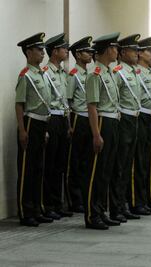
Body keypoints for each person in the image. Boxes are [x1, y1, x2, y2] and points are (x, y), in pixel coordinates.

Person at [15, 33, 53, 227]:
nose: (43, 53)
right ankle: (25, 211)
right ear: (29, 52)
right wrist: (22, 130)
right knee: (27, 170)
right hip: (29, 123)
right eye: (39, 50)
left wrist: (45, 128)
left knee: (39, 169)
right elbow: (19, 104)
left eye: (43, 50)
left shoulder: (43, 74)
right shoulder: (26, 75)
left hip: (41, 124)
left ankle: (37, 209)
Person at [84, 32, 121, 230]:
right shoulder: (95, 74)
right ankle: (91, 215)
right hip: (102, 123)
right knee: (96, 171)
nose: (117, 51)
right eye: (114, 48)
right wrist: (96, 134)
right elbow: (92, 106)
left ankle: (101, 211)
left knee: (107, 171)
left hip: (113, 122)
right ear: (107, 50)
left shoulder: (109, 73)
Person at [111, 34, 142, 221]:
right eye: (133, 50)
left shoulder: (133, 71)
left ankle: (123, 204)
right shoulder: (118, 72)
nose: (136, 54)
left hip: (134, 119)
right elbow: (114, 98)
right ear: (123, 52)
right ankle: (116, 207)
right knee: (119, 166)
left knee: (128, 164)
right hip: (123, 120)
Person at [43, 33, 73, 220]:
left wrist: (69, 124)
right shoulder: (45, 72)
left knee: (61, 164)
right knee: (50, 164)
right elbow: (45, 101)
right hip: (52, 119)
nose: (66, 51)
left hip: (63, 120)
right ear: (54, 51)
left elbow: (66, 102)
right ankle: (48, 205)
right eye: (63, 48)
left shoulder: (63, 73)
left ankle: (57, 203)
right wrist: (46, 127)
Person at [130, 36, 151, 213]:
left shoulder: (149, 72)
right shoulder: (136, 72)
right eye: (149, 51)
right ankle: (135, 202)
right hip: (139, 117)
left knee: (147, 160)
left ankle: (145, 198)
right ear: (140, 53)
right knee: (138, 160)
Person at [66, 36, 95, 213]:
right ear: (78, 54)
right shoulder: (74, 75)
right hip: (77, 117)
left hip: (89, 118)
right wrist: (69, 125)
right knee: (75, 161)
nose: (90, 54)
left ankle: (85, 197)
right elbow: (68, 100)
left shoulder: (90, 74)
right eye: (87, 52)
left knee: (87, 160)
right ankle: (75, 200)